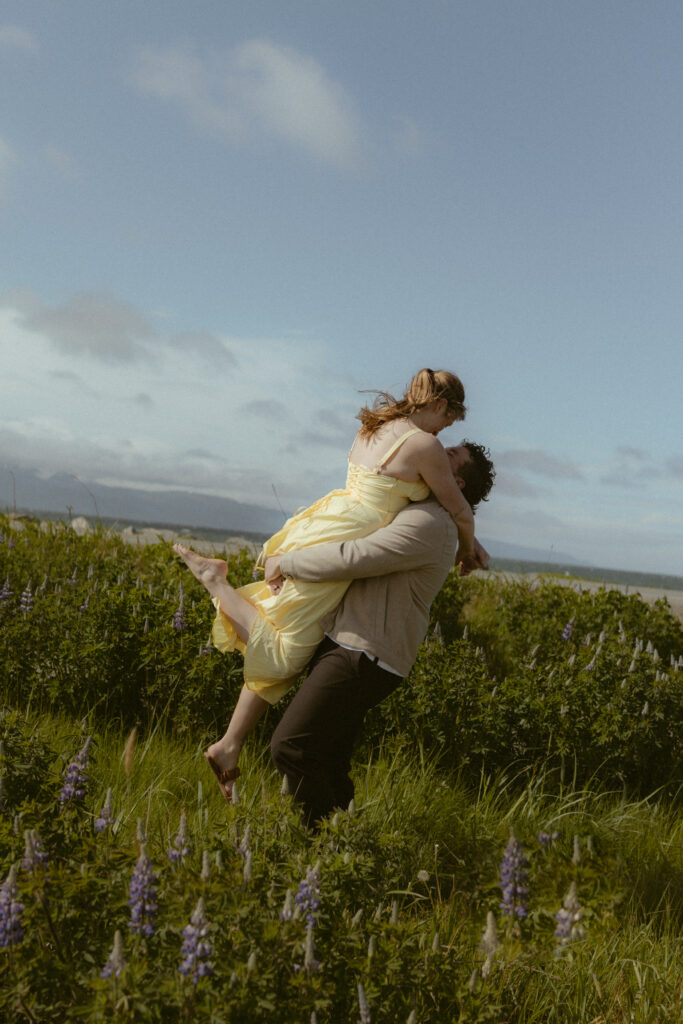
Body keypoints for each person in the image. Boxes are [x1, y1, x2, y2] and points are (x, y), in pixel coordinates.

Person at [174, 370, 481, 799]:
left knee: (286, 626)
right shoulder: (424, 444)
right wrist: (469, 551)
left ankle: (230, 744)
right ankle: (217, 583)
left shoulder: (376, 425)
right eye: (450, 422)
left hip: (327, 521)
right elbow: (460, 511)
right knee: (285, 649)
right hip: (346, 537)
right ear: (441, 406)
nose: (445, 431)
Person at [267, 441, 495, 827]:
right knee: (329, 759)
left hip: (365, 653)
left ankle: (325, 844)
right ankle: (345, 846)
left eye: (449, 455)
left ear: (455, 481)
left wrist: (286, 563)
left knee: (291, 747)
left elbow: (358, 556)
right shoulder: (426, 510)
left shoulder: (432, 522)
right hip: (354, 643)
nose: (437, 450)